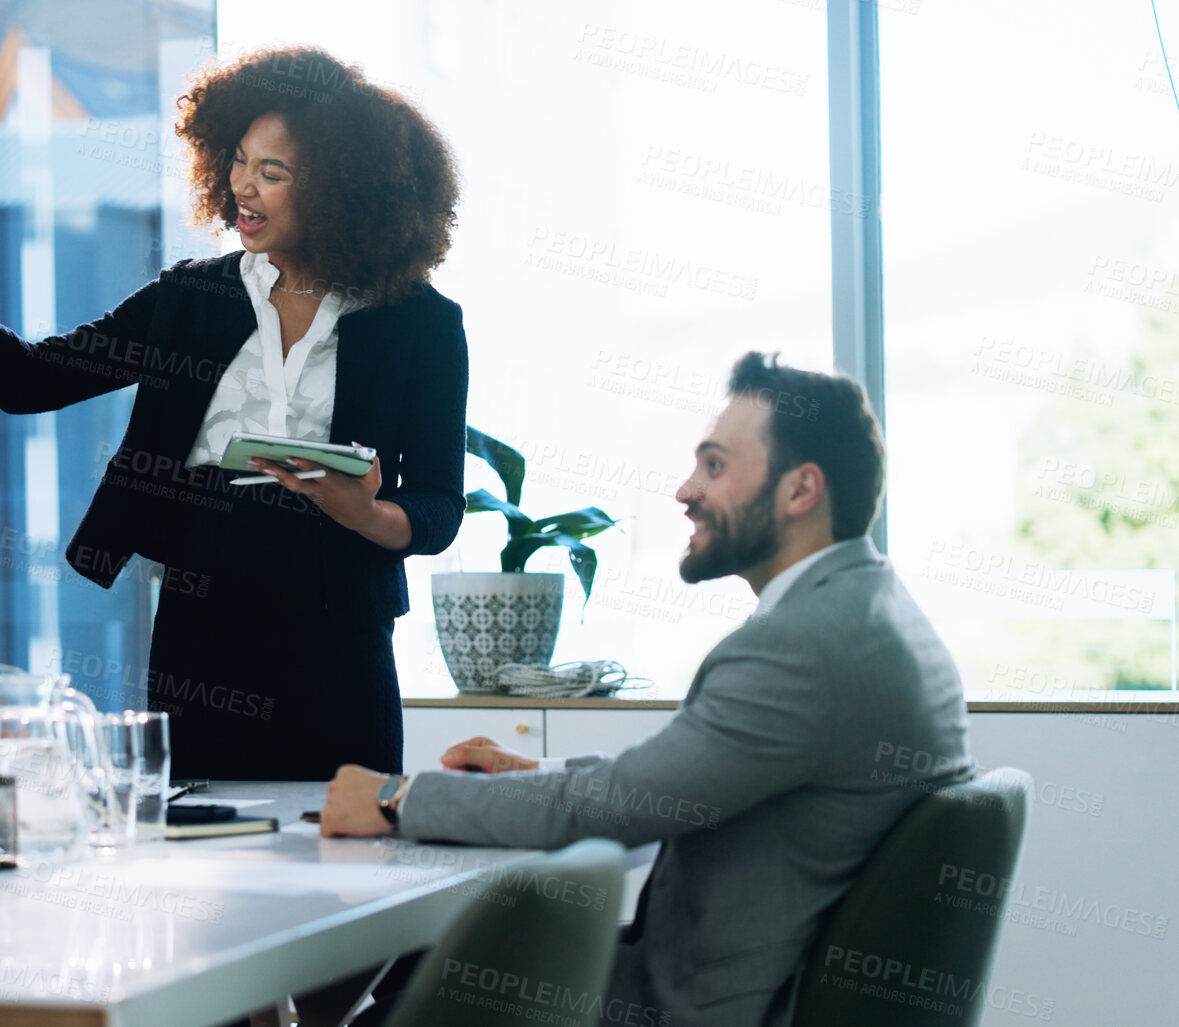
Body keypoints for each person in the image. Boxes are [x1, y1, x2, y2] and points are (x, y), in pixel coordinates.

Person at [320, 353, 974, 1027]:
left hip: (676, 1009)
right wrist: (534, 769)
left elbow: (611, 809)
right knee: (425, 969)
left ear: (800, 490)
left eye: (714, 465)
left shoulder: (802, 645)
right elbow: (672, 781)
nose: (684, 490)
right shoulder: (872, 612)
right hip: (728, 989)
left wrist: (398, 796)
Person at [0, 46, 467, 780]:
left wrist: (365, 514)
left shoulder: (419, 324)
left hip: (339, 633)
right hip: (200, 631)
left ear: (345, 190)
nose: (243, 187)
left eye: (272, 174)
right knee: (199, 844)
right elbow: (28, 379)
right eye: (239, 162)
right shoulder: (192, 298)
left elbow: (438, 501)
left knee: (349, 840)